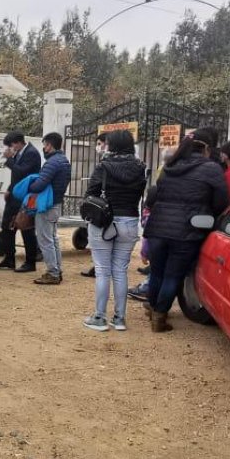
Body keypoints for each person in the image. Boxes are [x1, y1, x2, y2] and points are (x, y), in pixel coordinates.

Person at [143, 127, 229, 332]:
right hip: (188, 230)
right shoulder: (212, 169)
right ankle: (159, 317)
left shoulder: (170, 165)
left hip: (158, 227)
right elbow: (221, 202)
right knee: (173, 275)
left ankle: (153, 307)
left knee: (156, 272)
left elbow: (156, 193)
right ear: (207, 148)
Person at [82, 130, 147, 332]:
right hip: (129, 221)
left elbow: (90, 193)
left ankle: (99, 317)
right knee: (120, 271)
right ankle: (119, 318)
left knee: (102, 270)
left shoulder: (103, 166)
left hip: (104, 223)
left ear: (112, 145)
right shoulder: (140, 168)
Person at [0, 132, 41, 271]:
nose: (11, 148)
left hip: (27, 197)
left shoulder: (31, 153)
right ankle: (9, 259)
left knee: (26, 228)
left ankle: (30, 262)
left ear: (18, 142)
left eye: (11, 145)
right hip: (15, 196)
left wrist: (9, 160)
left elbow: (21, 172)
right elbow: (16, 177)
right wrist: (9, 189)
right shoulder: (20, 153)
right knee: (7, 226)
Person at [29, 132, 72, 285]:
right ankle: (56, 270)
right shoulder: (64, 160)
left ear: (50, 145)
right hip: (56, 203)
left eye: (45, 144)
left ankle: (53, 273)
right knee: (53, 239)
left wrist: (30, 185)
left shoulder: (53, 162)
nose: (44, 148)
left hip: (47, 205)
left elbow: (40, 184)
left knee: (45, 240)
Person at [81, 132, 111, 279]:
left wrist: (87, 200)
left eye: (100, 144)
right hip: (113, 209)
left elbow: (94, 187)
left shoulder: (105, 165)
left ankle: (99, 267)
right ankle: (100, 266)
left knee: (100, 241)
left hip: (101, 208)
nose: (98, 147)